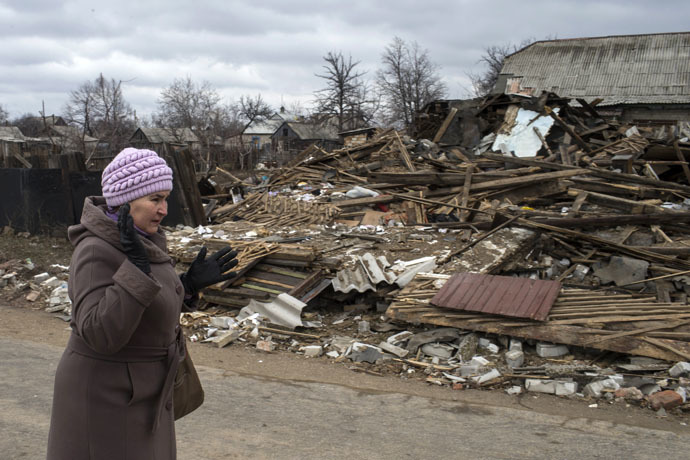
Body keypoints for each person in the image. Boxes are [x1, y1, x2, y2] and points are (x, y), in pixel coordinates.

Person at [46, 148, 238, 460]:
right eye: (155, 199)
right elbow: (99, 333)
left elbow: (146, 305)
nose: (164, 210)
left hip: (144, 389)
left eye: (166, 199)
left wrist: (188, 286)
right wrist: (135, 268)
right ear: (125, 200)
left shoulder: (142, 240)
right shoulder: (95, 250)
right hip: (106, 395)